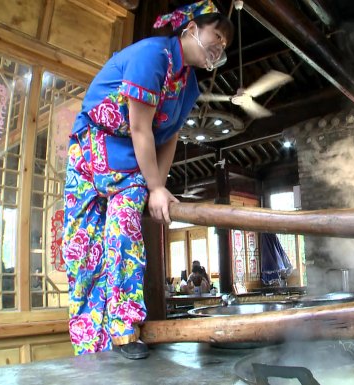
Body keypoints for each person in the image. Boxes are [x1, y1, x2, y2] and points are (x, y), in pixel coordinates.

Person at [61, 0, 233, 360]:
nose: (219, 48)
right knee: (81, 247)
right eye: (216, 36)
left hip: (135, 165)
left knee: (124, 232)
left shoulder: (188, 87)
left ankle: (124, 330)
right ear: (190, 29)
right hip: (92, 149)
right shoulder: (152, 56)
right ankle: (91, 344)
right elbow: (140, 127)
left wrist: (159, 186)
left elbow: (166, 137)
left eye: (224, 46)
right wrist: (154, 186)